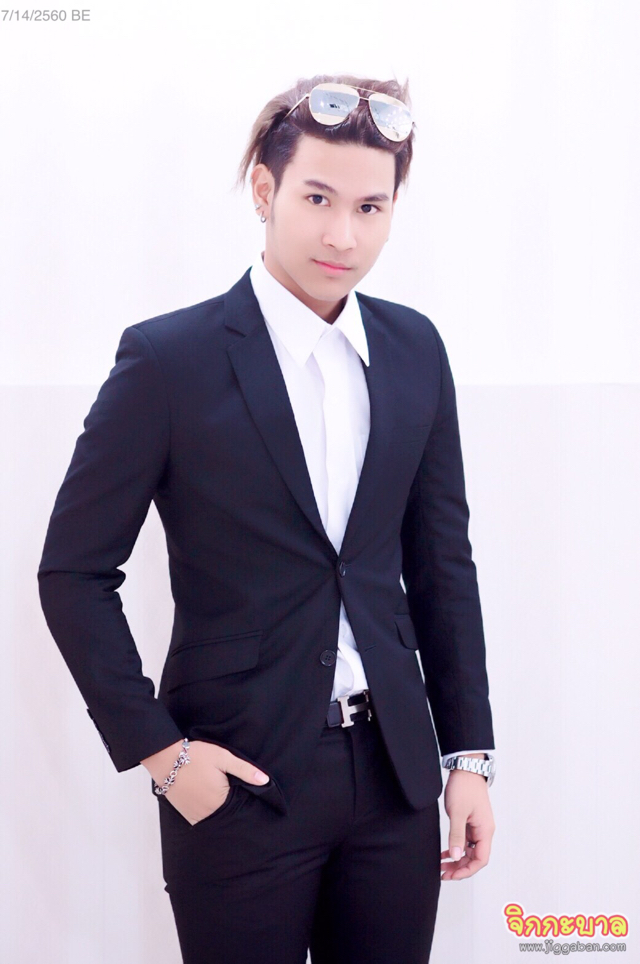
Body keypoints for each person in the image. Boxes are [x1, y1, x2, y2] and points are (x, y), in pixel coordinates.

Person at [37, 72, 496, 964]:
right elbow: (73, 572)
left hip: (396, 780)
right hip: (240, 782)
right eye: (317, 198)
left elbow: (444, 565)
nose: (342, 234)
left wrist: (467, 758)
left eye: (369, 207)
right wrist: (163, 755)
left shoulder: (415, 350)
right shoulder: (169, 359)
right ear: (263, 189)